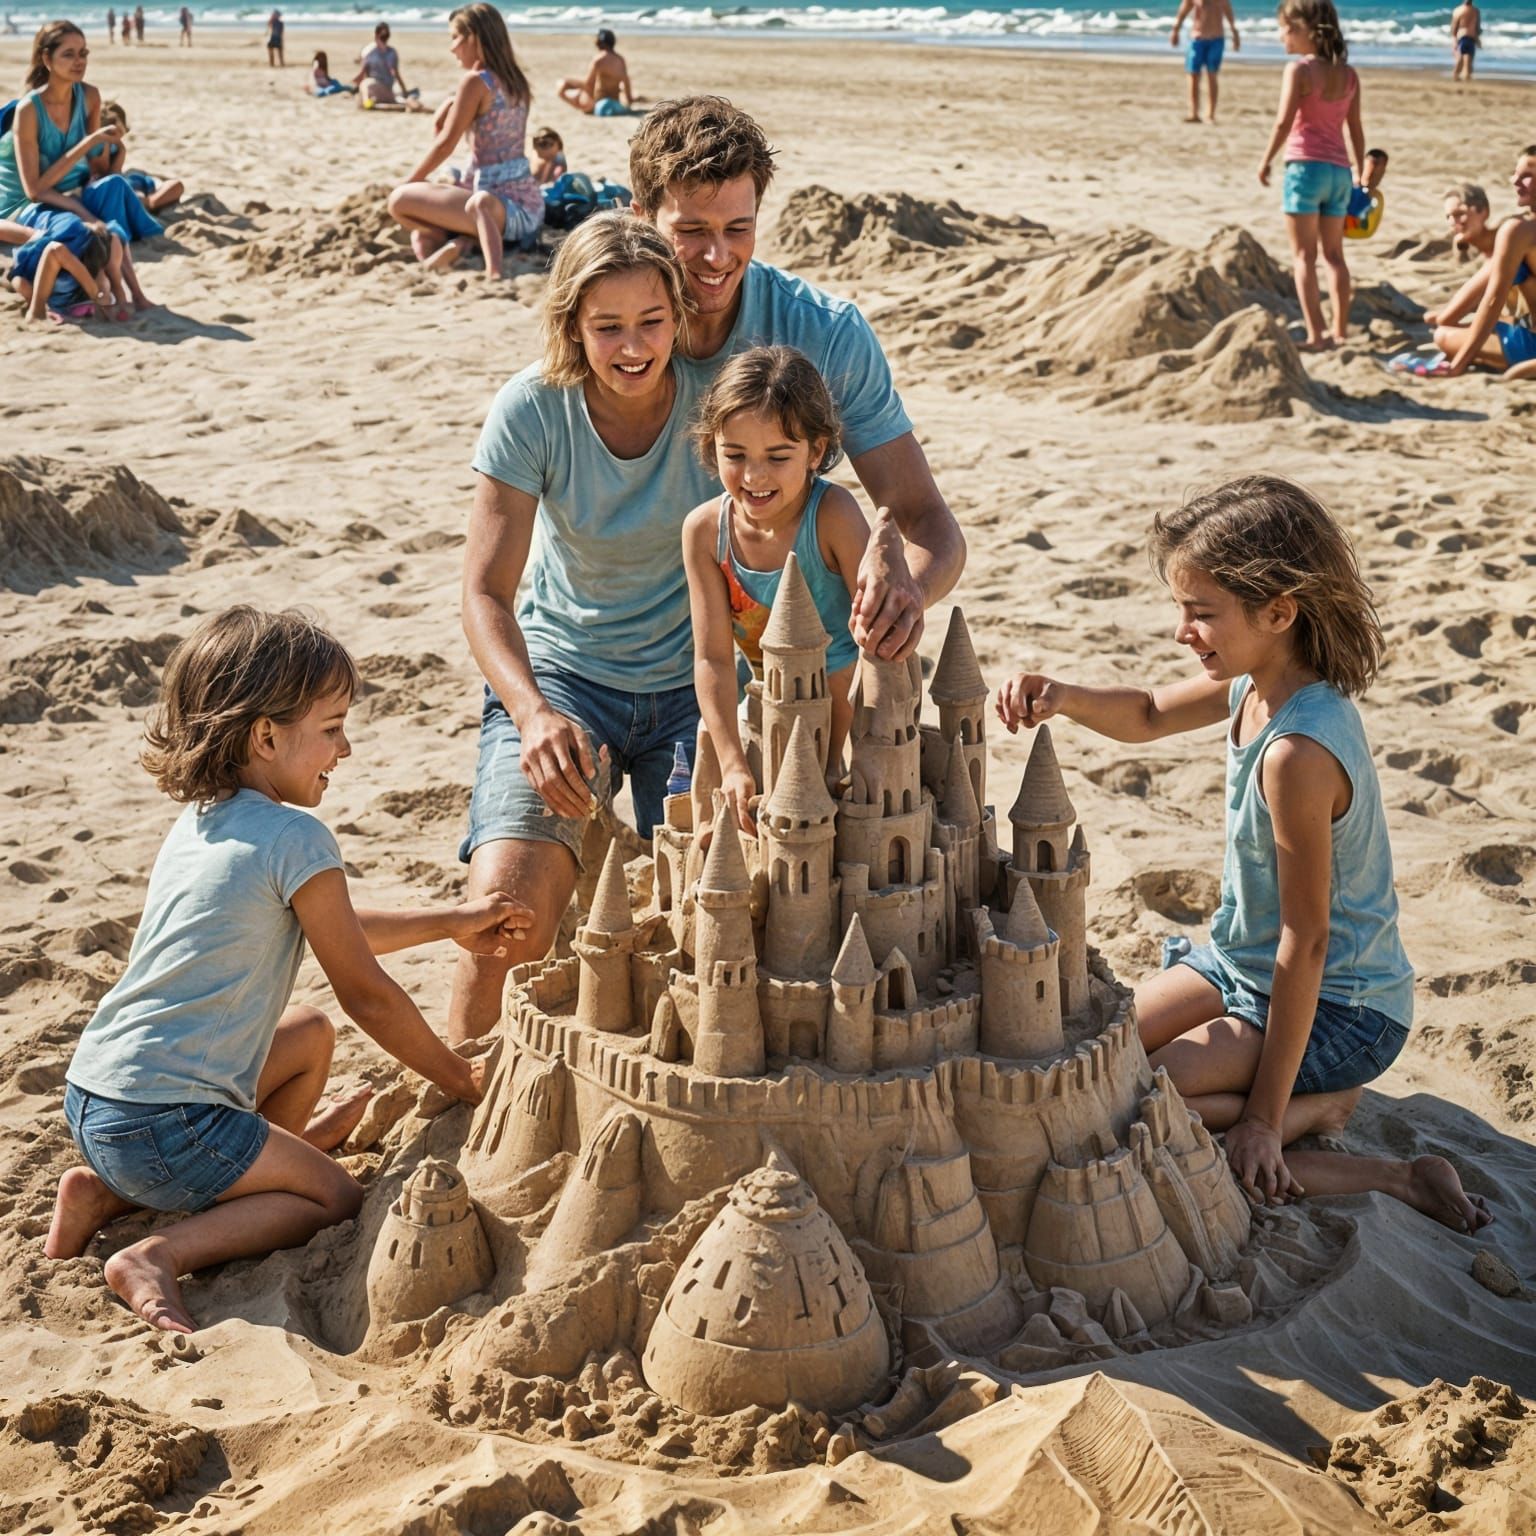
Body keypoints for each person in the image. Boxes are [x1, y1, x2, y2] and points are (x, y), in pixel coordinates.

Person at [996, 477, 1492, 1236]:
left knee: (1145, 1102)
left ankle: (1354, 1143)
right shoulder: (1250, 687)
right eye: (1180, 611)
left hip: (1341, 1005)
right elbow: (1149, 711)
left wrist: (1263, 1117)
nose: (1183, 633)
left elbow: (1310, 940)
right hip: (1240, 964)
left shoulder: (1298, 751)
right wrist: (1061, 696)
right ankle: (1296, 1101)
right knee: (1098, 1052)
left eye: (1201, 614)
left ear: (1279, 611)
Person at [44, 607, 533, 1335]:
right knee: (331, 1199)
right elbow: (365, 990)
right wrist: (457, 1078)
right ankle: (157, 1254)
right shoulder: (299, 836)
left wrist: (451, 921)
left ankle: (99, 1194)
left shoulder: (206, 819)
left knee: (306, 1036)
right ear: (265, 736)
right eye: (332, 728)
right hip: (169, 1124)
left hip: (97, 1098)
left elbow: (335, 929)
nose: (346, 749)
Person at [456, 213, 712, 1044]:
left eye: (651, 322)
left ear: (678, 314)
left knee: (721, 924)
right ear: (572, 323)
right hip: (566, 684)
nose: (633, 346)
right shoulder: (533, 409)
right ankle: (448, 1119)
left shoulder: (718, 408)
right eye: (608, 327)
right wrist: (532, 714)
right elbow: (486, 592)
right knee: (504, 925)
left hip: (696, 690)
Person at [628, 97, 964, 662]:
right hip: (621, 667)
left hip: (780, 674)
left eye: (739, 227)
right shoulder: (609, 334)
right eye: (692, 230)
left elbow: (928, 521)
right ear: (642, 219)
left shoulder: (827, 333)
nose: (717, 255)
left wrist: (907, 594)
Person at [683, 345, 868, 831]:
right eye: (735, 455)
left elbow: (877, 652)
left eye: (778, 456)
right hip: (769, 701)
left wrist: (832, 759)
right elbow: (713, 660)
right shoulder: (706, 532)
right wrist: (733, 765)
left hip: (846, 709)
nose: (754, 476)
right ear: (712, 446)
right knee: (709, 741)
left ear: (817, 451)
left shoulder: (834, 518)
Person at [0, 21, 159, 309]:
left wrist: (110, 148)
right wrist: (86, 145)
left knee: (112, 187)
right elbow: (34, 190)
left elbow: (96, 168)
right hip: (28, 202)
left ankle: (128, 286)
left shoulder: (89, 97)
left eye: (83, 53)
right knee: (86, 219)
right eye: (69, 54)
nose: (80, 61)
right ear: (46, 59)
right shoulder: (28, 111)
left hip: (69, 192)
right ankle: (102, 278)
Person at [385, 3, 542, 277]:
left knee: (398, 201)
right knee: (439, 213)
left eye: (455, 37)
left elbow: (444, 143)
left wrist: (411, 181)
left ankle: (463, 239)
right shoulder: (517, 81)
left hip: (494, 204)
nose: (452, 47)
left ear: (475, 37)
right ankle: (467, 240)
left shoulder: (476, 82)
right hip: (528, 207)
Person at [1257, 0, 1364, 352]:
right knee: (1335, 256)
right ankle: (1341, 331)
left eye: (1288, 28)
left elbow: (1284, 122)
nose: (1282, 35)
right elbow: (1355, 129)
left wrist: (1266, 159)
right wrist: (1360, 170)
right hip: (1339, 172)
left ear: (1308, 31)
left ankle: (1317, 335)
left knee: (1304, 256)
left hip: (1305, 169)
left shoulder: (1299, 71)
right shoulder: (1349, 75)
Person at [1438, 147, 1536, 381]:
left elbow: (1493, 300)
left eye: (1527, 175)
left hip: (1530, 344)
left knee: (1443, 335)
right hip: (1527, 328)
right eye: (1515, 173)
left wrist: (1458, 365)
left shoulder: (1518, 231)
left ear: (1483, 211)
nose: (1515, 181)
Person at [3, 209, 109, 319]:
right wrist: (38, 308)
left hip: (57, 225)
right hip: (51, 224)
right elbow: (55, 250)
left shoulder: (30, 261)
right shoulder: (32, 263)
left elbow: (56, 250)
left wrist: (37, 306)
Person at [96, 101, 184, 213]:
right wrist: (120, 149)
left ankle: (148, 203)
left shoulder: (115, 147)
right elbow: (113, 176)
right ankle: (147, 204)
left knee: (176, 185)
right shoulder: (102, 147)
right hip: (121, 185)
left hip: (133, 183)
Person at [1169, 0, 1239, 124]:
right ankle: (1194, 113)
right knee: (1193, 75)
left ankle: (1210, 114)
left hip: (1216, 38)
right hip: (1197, 39)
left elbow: (1228, 12)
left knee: (1212, 75)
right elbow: (1183, 11)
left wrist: (1235, 34)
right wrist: (1175, 30)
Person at [557, 28, 634, 117]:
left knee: (566, 87)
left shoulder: (599, 60)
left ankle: (587, 108)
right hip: (615, 102)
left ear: (600, 42)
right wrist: (629, 99)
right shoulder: (621, 60)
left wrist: (567, 82)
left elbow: (588, 84)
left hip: (600, 104)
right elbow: (626, 82)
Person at [354, 22, 414, 107]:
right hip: (373, 83)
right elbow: (363, 73)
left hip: (385, 85)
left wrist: (404, 90)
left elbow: (395, 73)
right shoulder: (370, 51)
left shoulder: (390, 52)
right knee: (366, 85)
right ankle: (368, 101)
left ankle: (367, 102)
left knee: (366, 84)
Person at [1451, 0, 1480, 81]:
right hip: (1464, 37)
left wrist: (1477, 39)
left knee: (1466, 62)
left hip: (1468, 37)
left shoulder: (1474, 11)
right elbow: (1454, 28)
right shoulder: (1474, 11)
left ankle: (1461, 78)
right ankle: (1458, 78)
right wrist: (1454, 41)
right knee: (1463, 60)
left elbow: (1477, 28)